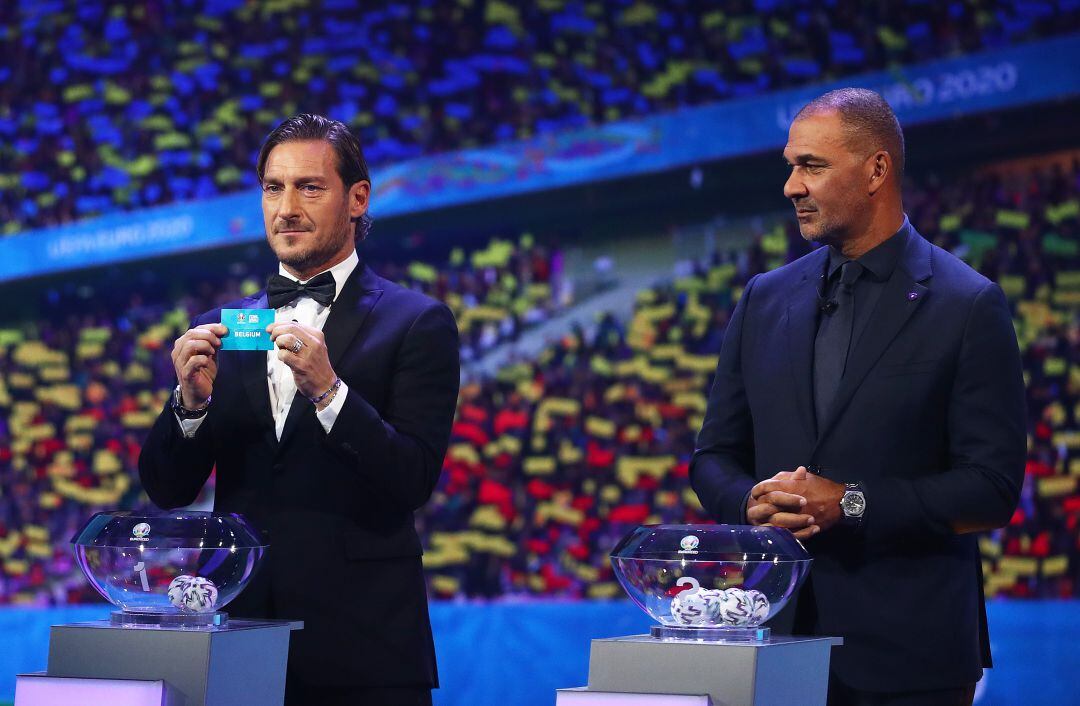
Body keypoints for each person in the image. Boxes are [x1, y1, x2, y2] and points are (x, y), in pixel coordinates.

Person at [690, 89, 1025, 706]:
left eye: (812, 166)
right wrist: (750, 502)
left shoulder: (967, 304)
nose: (792, 186)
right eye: (790, 166)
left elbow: (991, 487)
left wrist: (850, 503)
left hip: (909, 659)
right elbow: (713, 456)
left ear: (876, 170)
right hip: (773, 648)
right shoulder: (764, 299)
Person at [139, 114, 460, 706]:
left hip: (363, 648)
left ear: (357, 197)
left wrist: (329, 392)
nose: (286, 207)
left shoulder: (417, 322)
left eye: (309, 187)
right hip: (234, 640)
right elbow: (167, 488)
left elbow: (412, 478)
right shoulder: (225, 325)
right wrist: (188, 404)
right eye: (272, 187)